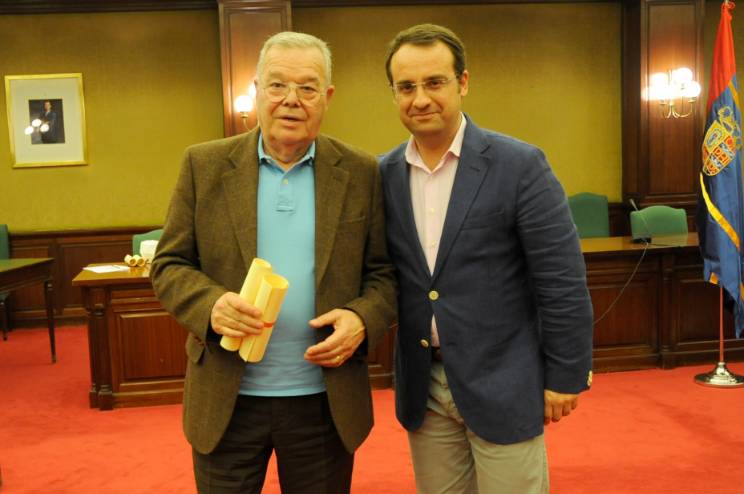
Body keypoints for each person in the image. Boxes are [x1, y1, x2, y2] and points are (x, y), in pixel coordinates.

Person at [151, 31, 396, 494]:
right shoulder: (204, 165)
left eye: (307, 88)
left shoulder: (362, 172)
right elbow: (169, 265)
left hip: (324, 402)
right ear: (257, 90)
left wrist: (362, 319)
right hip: (227, 399)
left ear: (327, 97)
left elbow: (384, 273)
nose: (291, 100)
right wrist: (210, 306)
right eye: (278, 85)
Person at [379, 24, 594, 494]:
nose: (420, 99)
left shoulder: (520, 165)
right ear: (393, 93)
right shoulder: (383, 174)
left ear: (463, 82)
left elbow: (561, 279)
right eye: (406, 87)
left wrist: (566, 374)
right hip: (424, 386)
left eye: (434, 82)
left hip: (505, 380)